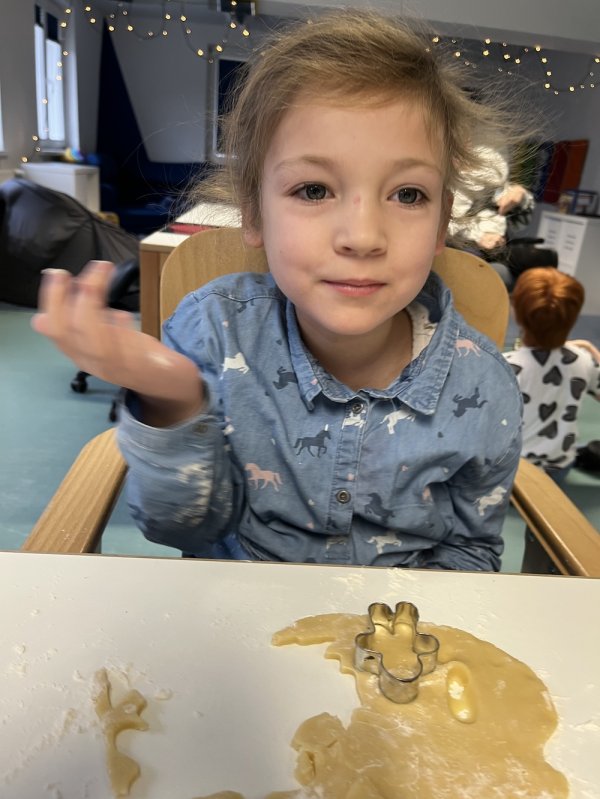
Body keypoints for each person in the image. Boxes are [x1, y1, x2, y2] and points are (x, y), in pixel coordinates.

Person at [33, 11, 525, 571]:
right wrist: (174, 399)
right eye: (313, 189)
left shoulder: (487, 387)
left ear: (441, 224)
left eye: (408, 194)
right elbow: (180, 529)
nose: (363, 237)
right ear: (254, 214)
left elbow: (471, 551)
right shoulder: (211, 333)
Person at [504, 268, 600, 485]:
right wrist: (591, 350)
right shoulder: (583, 360)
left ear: (517, 313)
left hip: (513, 472)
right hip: (559, 468)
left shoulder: (505, 367)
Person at [447, 145, 556, 291]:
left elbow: (521, 218)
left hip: (497, 246)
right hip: (464, 250)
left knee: (535, 263)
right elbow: (446, 226)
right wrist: (479, 237)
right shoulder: (447, 187)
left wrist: (520, 196)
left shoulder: (488, 167)